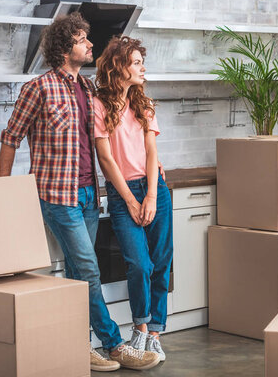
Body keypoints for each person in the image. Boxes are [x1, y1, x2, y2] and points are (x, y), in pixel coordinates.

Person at [0, 12, 160, 372]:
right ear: (63, 46)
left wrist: (151, 162)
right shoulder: (37, 88)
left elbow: (111, 136)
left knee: (76, 274)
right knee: (88, 268)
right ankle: (114, 344)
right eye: (83, 38)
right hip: (57, 196)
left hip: (89, 194)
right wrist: (5, 191)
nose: (90, 44)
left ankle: (78, 344)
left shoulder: (88, 88)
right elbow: (10, 138)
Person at [93, 36, 173, 362]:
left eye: (142, 62)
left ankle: (154, 333)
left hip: (155, 189)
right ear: (119, 66)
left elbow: (152, 151)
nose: (142, 68)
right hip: (122, 192)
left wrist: (152, 195)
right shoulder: (99, 105)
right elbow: (105, 158)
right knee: (138, 264)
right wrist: (129, 199)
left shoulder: (144, 104)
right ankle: (139, 327)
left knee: (160, 263)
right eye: (137, 62)